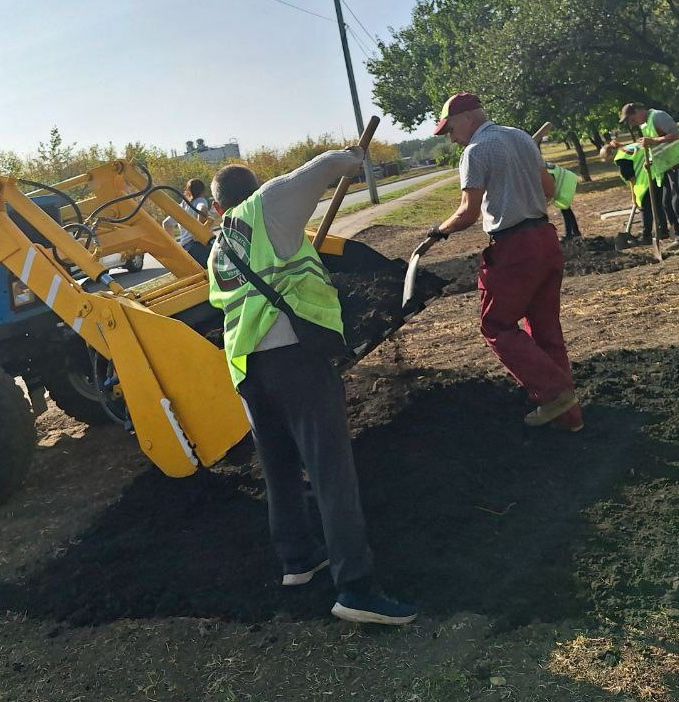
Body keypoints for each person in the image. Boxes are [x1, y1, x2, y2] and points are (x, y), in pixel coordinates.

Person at [206, 149, 416, 626]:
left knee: (279, 468)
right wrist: (353, 155)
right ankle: (357, 588)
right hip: (295, 358)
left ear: (217, 207)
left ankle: (298, 560)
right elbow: (322, 168)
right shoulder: (267, 205)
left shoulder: (219, 245)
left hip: (247, 368)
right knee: (330, 471)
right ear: (253, 189)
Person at [426, 92, 583, 432]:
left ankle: (554, 393)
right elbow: (549, 188)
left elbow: (467, 213)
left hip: (514, 249)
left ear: (468, 118)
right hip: (545, 239)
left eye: (450, 129)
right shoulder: (521, 137)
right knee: (546, 329)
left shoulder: (476, 151)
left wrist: (439, 231)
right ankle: (569, 418)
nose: (452, 138)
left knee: (496, 326)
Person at [619, 103, 679, 254]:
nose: (631, 123)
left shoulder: (658, 116)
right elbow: (656, 146)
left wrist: (653, 141)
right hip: (667, 166)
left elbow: (675, 135)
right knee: (667, 203)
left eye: (631, 119)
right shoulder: (645, 124)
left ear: (637, 111)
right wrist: (649, 160)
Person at [162, 178, 213, 265]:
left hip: (186, 249)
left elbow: (166, 223)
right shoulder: (200, 200)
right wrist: (199, 232)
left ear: (188, 191)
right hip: (199, 248)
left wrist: (175, 247)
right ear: (203, 190)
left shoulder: (183, 205)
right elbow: (202, 209)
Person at [544, 161, 581, 239]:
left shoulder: (543, 171)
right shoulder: (541, 167)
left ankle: (570, 234)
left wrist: (546, 202)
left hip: (566, 184)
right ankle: (574, 232)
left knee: (565, 209)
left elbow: (550, 190)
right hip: (565, 182)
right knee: (565, 209)